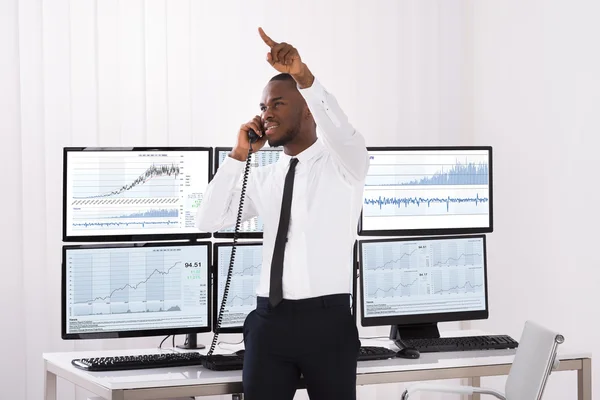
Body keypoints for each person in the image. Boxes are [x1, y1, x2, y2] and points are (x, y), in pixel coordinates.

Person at [195, 27, 370, 400]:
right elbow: (207, 221)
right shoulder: (263, 178)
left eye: (277, 104)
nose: (266, 114)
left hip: (327, 322)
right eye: (262, 107)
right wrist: (238, 155)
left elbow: (338, 127)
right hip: (269, 323)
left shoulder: (345, 164)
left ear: (306, 108)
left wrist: (304, 77)